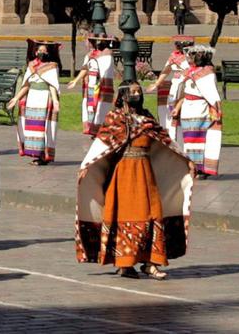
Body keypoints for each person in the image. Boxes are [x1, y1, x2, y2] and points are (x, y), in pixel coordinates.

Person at [76, 82, 192, 280]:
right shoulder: (115, 118)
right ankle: (125, 263)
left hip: (146, 172)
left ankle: (151, 263)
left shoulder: (147, 117)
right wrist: (87, 165)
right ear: (123, 95)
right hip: (123, 174)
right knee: (125, 216)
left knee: (154, 213)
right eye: (133, 92)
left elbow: (165, 140)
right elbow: (101, 143)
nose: (137, 94)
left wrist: (185, 160)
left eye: (139, 91)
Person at [8, 40, 63, 165]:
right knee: (32, 128)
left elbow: (52, 85)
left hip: (44, 99)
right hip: (32, 99)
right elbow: (26, 85)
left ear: (48, 53)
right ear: (36, 51)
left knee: (43, 128)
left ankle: (43, 156)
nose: (41, 53)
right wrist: (16, 98)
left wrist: (55, 100)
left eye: (44, 51)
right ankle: (36, 154)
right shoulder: (31, 65)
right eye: (40, 51)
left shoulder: (52, 66)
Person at [172, 46, 223, 179]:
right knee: (189, 140)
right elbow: (183, 91)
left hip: (200, 109)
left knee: (199, 139)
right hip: (188, 109)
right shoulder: (189, 71)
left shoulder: (208, 73)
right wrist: (177, 106)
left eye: (195, 55)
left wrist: (216, 110)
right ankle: (191, 166)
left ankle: (201, 169)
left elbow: (212, 93)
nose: (191, 58)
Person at [80, 36, 117, 136]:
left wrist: (100, 81)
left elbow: (106, 70)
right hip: (91, 84)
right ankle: (91, 126)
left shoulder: (107, 55)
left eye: (101, 41)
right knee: (90, 106)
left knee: (101, 105)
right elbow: (85, 68)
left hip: (101, 84)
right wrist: (77, 80)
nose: (99, 42)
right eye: (97, 40)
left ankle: (100, 127)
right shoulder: (90, 55)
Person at [152, 41, 191, 136]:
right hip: (176, 84)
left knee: (184, 109)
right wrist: (157, 83)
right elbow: (166, 70)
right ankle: (172, 133)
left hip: (188, 84)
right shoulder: (174, 56)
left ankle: (183, 132)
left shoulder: (193, 57)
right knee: (171, 107)